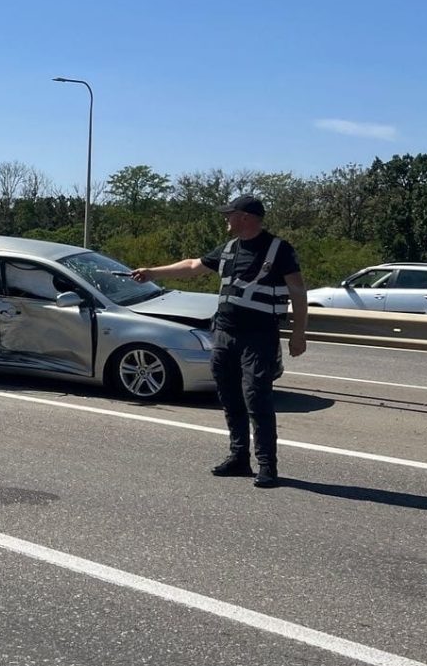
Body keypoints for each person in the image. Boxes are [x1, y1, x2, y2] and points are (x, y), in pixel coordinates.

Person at [130, 195, 308, 488]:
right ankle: (239, 458)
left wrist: (299, 333)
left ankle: (267, 466)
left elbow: (299, 292)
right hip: (225, 333)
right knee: (229, 397)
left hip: (259, 337)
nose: (226, 218)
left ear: (245, 218)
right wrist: (151, 272)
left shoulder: (279, 250)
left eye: (230, 214)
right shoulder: (229, 249)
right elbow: (191, 266)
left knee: (257, 398)